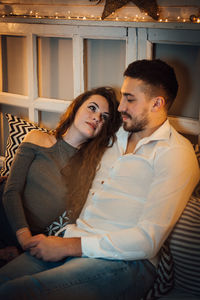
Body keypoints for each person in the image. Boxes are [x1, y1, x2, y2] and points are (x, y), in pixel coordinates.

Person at [0, 59, 199, 300]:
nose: (121, 107)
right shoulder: (113, 134)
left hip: (126, 262)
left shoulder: (176, 153)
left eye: (130, 99)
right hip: (73, 238)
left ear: (157, 103)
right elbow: (67, 145)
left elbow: (148, 241)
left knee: (17, 293)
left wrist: (68, 246)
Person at [0, 86, 121, 259]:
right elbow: (11, 191)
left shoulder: (89, 171)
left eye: (104, 117)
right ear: (77, 107)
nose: (96, 117)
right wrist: (24, 239)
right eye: (92, 108)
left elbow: (74, 220)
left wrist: (22, 248)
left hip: (19, 245)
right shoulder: (37, 138)